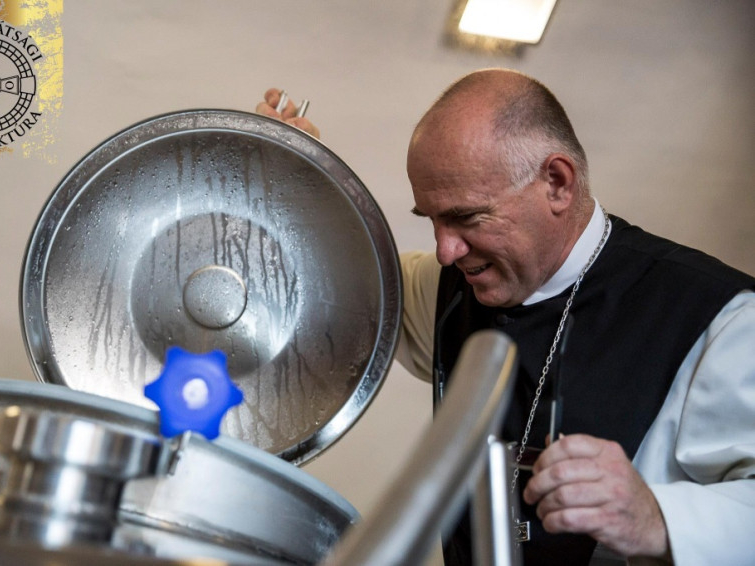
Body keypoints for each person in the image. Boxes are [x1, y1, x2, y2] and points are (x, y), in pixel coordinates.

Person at [256, 70, 755, 566]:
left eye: (467, 217)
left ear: (557, 183)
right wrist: (297, 176)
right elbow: (341, 284)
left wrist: (654, 517)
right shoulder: (449, 286)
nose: (445, 250)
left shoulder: (721, 317)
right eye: (432, 220)